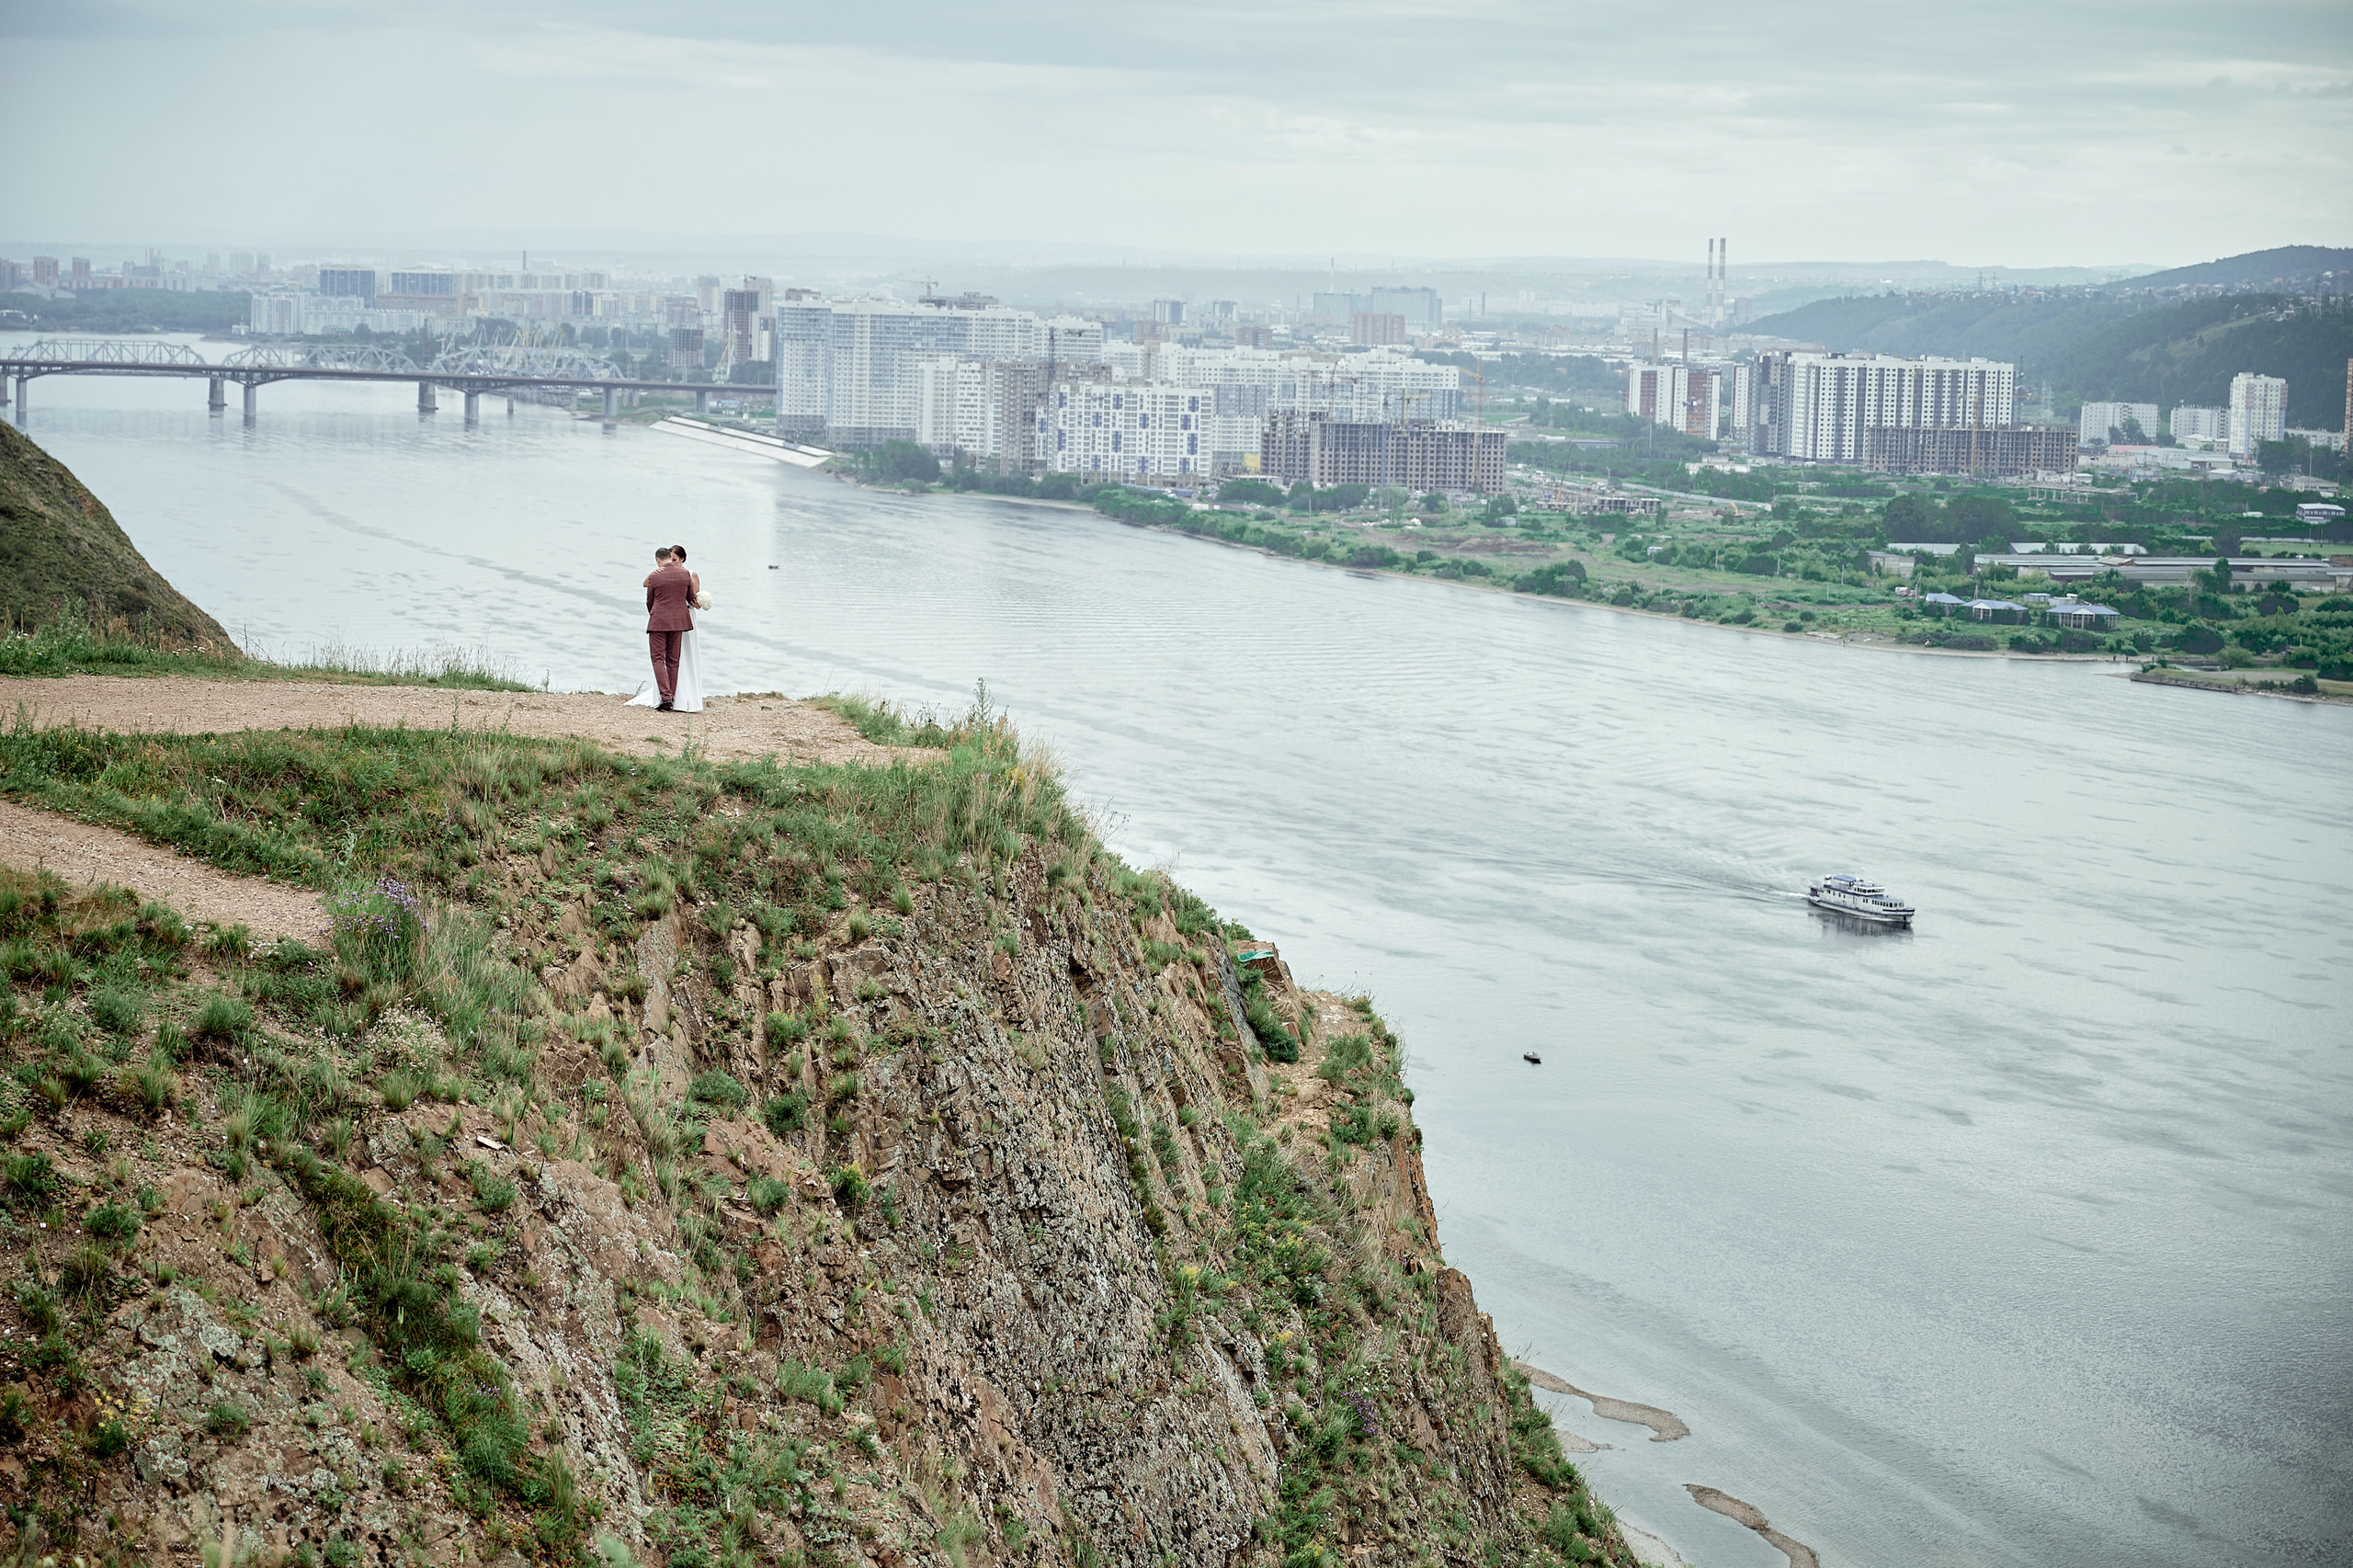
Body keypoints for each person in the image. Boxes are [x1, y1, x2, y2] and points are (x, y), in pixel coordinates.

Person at [639, 546, 695, 712]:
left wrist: (654, 614)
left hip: (658, 622)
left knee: (657, 658)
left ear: (658, 560)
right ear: (670, 558)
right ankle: (673, 697)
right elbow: (690, 597)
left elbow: (650, 601)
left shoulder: (654, 576)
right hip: (678, 622)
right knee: (673, 660)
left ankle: (666, 697)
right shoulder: (685, 574)